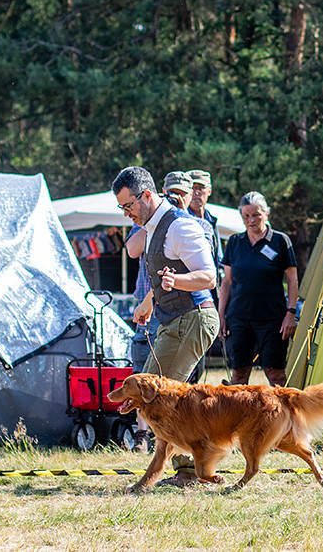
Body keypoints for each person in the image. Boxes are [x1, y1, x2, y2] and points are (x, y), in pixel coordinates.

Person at [112, 166, 218, 485]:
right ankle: (192, 467)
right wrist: (148, 303)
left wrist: (178, 280)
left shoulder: (180, 227)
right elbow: (162, 277)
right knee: (160, 398)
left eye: (128, 205)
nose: (126, 213)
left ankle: (184, 471)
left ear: (146, 196)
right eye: (121, 208)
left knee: (156, 398)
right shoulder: (153, 226)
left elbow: (208, 276)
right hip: (175, 319)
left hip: (195, 317)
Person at [217, 191, 298, 387]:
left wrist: (291, 313)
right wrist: (220, 316)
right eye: (246, 216)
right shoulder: (235, 242)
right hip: (238, 318)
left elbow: (293, 279)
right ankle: (239, 417)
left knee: (276, 375)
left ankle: (283, 417)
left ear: (266, 214)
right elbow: (226, 282)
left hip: (272, 319)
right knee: (238, 376)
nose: (251, 220)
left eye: (256, 215)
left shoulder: (280, 241)